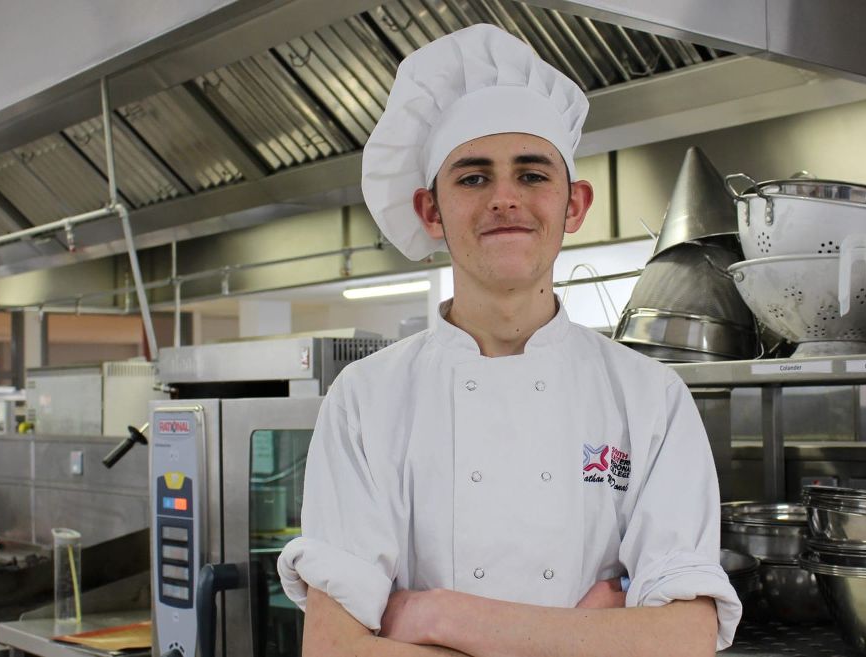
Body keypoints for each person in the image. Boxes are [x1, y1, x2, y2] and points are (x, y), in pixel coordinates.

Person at [277, 23, 740, 657]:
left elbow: (686, 636)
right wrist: (596, 635)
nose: (504, 199)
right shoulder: (365, 400)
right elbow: (333, 648)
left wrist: (439, 615)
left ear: (573, 204)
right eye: (472, 178)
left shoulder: (649, 397)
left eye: (531, 175)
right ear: (431, 211)